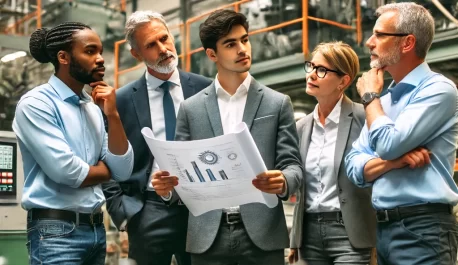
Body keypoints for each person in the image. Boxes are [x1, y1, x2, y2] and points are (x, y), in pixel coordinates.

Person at [152, 9, 303, 265]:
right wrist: (167, 188)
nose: (242, 49)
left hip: (262, 234)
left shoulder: (277, 103)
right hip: (207, 236)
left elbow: (294, 167)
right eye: (230, 44)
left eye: (244, 40)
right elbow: (181, 174)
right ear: (212, 54)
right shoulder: (191, 109)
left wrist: (284, 181)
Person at [345, 2, 458, 265]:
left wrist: (370, 97)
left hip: (423, 229)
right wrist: (395, 162)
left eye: (379, 35)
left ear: (407, 43)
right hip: (383, 229)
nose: (369, 42)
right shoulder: (384, 102)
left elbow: (386, 143)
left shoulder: (438, 90)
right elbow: (353, 164)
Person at [13, 22, 134, 265]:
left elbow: (123, 170)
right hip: (55, 232)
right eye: (90, 51)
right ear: (64, 57)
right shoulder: (37, 104)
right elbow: (68, 171)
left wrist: (113, 115)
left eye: (100, 51)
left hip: (95, 231)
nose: (101, 59)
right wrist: (105, 170)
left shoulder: (92, 107)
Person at [101, 11, 212, 265]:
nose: (163, 49)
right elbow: (108, 160)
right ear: (137, 54)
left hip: (201, 206)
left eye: (165, 38)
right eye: (151, 45)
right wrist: (124, 213)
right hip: (148, 209)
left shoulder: (206, 89)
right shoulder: (121, 100)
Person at [288, 41, 376, 265]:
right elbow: (301, 188)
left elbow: (379, 179)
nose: (311, 75)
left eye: (322, 70)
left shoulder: (364, 117)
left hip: (351, 234)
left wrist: (376, 238)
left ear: (344, 81)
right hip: (308, 237)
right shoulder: (301, 127)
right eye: (312, 66)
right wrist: (295, 240)